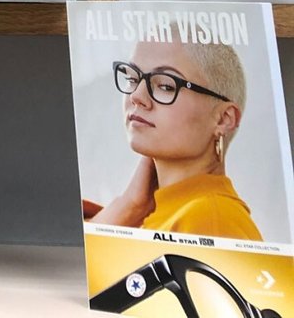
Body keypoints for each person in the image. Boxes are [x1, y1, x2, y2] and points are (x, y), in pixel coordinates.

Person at [90, 39, 262, 241]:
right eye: (132, 79)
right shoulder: (170, 213)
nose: (136, 96)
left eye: (165, 86)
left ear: (224, 119)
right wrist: (130, 205)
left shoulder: (208, 218)